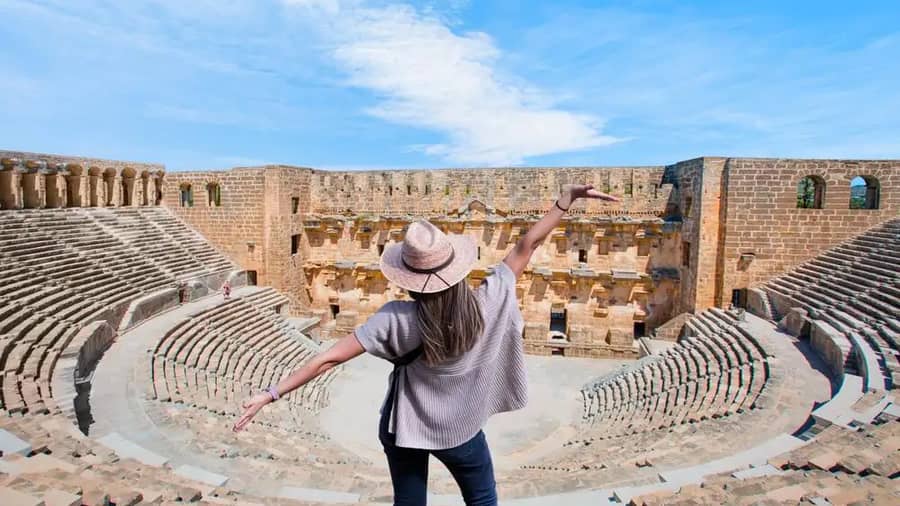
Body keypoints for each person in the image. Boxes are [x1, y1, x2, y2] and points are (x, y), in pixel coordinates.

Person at [233, 184, 619, 505]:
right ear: (457, 267)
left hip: (404, 428)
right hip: (462, 430)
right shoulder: (489, 300)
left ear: (407, 276)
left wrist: (269, 394)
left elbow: (327, 360)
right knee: (483, 499)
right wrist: (565, 200)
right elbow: (526, 246)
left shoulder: (394, 319)